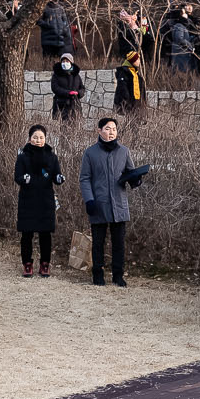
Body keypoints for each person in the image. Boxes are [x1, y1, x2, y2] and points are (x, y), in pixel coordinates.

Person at [78, 116, 138, 287]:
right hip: (99, 203)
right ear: (99, 131)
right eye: (107, 128)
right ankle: (98, 275)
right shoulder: (90, 152)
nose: (111, 132)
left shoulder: (124, 151)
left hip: (119, 204)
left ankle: (118, 276)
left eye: (113, 129)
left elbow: (130, 173)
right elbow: (84, 178)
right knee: (98, 242)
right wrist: (89, 200)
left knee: (119, 242)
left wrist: (136, 180)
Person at [13, 125, 63, 276]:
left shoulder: (52, 156)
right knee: (27, 234)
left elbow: (57, 176)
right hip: (27, 199)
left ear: (45, 139)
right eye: (35, 137)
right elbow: (17, 177)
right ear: (29, 139)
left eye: (41, 137)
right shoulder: (23, 156)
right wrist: (24, 179)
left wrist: (60, 178)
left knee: (45, 234)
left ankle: (45, 264)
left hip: (45, 199)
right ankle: (27, 264)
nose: (38, 140)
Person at [49, 52, 85, 123]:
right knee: (64, 127)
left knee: (76, 127)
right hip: (61, 105)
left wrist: (78, 93)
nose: (65, 63)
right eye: (63, 61)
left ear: (71, 62)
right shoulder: (56, 74)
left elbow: (82, 88)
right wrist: (68, 93)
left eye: (67, 61)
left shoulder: (76, 75)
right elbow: (55, 88)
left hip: (75, 106)